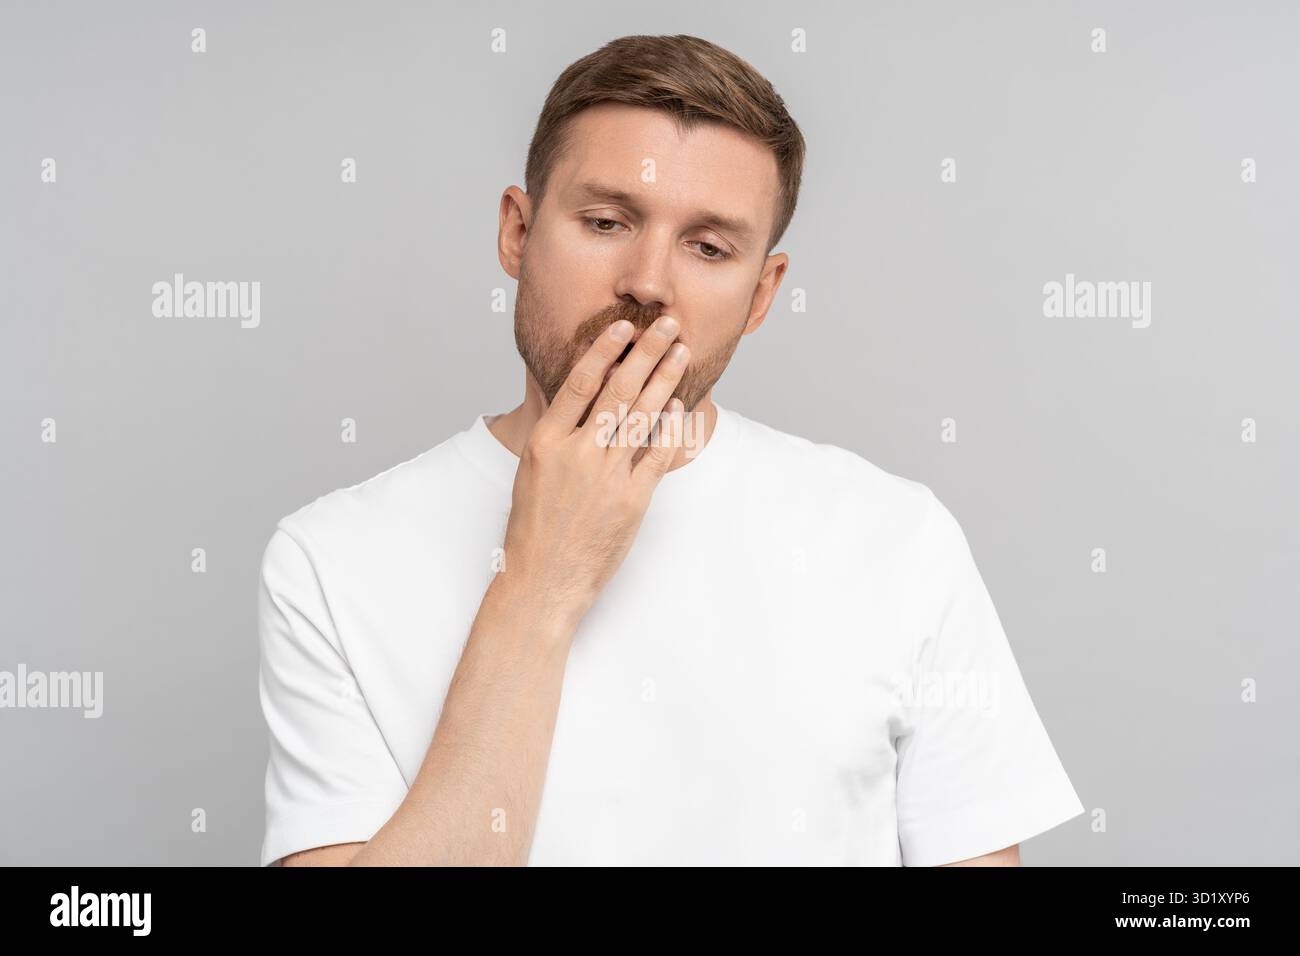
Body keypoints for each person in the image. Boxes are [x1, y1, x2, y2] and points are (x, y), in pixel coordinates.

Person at [257, 33, 1084, 867]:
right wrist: (539, 589)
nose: (648, 282)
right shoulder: (329, 561)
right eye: (606, 222)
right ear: (516, 232)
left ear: (761, 295)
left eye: (709, 247)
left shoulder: (902, 543)